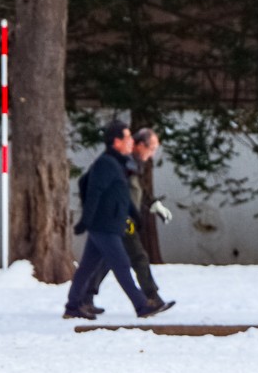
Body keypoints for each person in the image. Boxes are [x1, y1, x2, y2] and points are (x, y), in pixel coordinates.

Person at [63, 121, 155, 320]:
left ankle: (73, 305)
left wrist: (136, 216)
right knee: (122, 265)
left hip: (110, 224)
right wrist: (86, 221)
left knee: (87, 267)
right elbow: (94, 192)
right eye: (128, 137)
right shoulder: (105, 164)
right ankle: (141, 305)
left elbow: (122, 196)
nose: (132, 141)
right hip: (104, 225)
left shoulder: (118, 164)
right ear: (116, 142)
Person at [87, 126, 175, 315]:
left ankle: (83, 298)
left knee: (106, 260)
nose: (151, 155)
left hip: (117, 219)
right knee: (138, 257)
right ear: (140, 145)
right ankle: (151, 298)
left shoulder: (131, 162)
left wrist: (153, 204)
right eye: (151, 149)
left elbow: (136, 190)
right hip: (118, 219)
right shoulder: (123, 161)